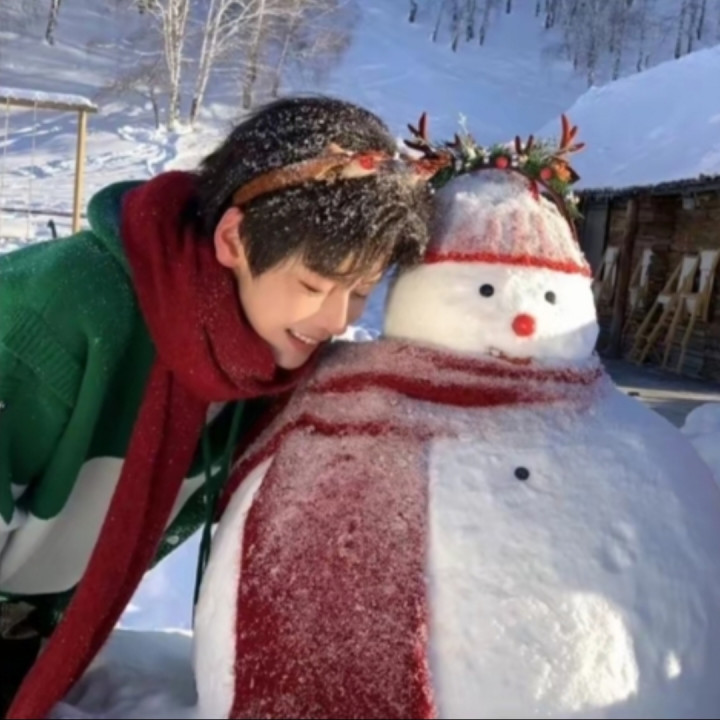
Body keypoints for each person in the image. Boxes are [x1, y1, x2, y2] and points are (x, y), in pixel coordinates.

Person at [0, 95, 433, 718]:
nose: (337, 319)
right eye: (314, 284)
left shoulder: (252, 367)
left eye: (361, 291)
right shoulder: (59, 308)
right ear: (233, 237)